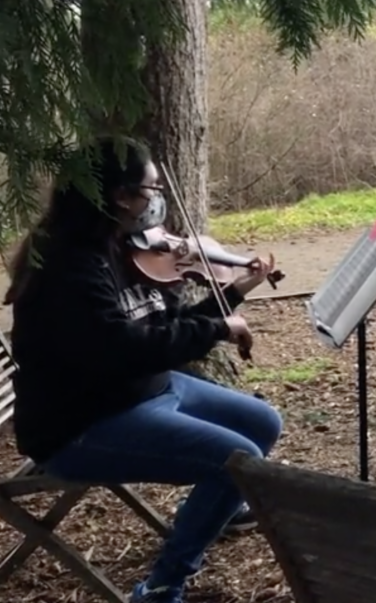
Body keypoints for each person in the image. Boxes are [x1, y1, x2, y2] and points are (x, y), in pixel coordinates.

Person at [5, 137, 284, 603]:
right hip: (80, 423)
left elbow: (163, 329)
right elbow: (127, 349)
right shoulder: (68, 267)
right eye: (152, 189)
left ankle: (209, 512)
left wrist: (232, 294)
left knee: (263, 423)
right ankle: (161, 586)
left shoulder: (122, 248)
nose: (158, 200)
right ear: (121, 196)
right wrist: (219, 328)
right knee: (238, 460)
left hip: (142, 391)